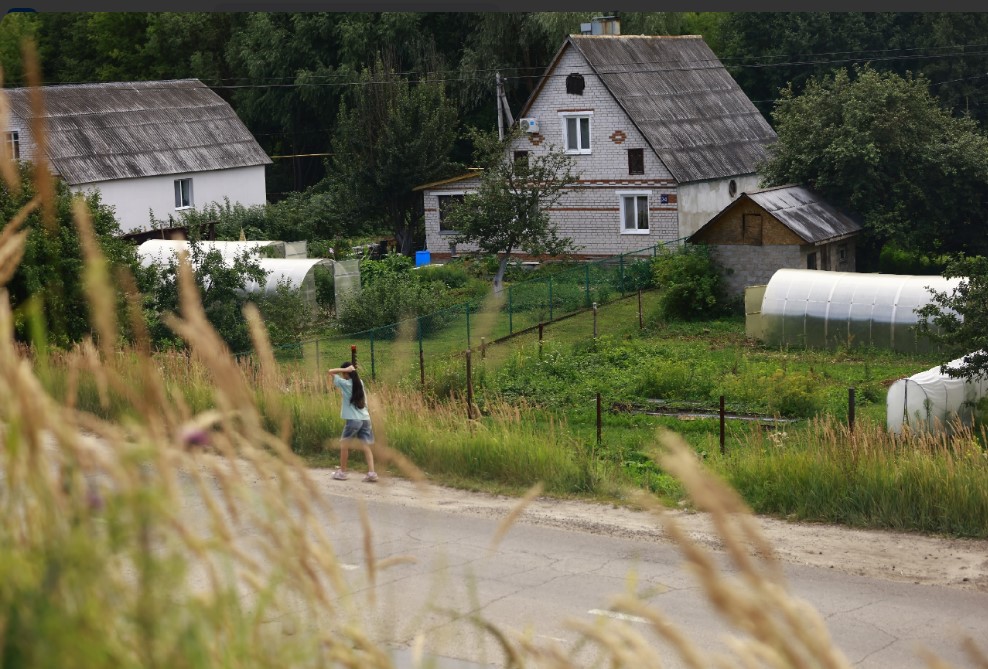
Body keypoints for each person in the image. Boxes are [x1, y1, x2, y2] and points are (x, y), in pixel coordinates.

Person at [327, 361, 378, 482]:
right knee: (365, 446)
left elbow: (330, 371)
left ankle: (342, 472)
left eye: (344, 372)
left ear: (346, 373)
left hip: (353, 420)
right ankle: (372, 473)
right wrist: (350, 370)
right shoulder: (360, 383)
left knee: (344, 445)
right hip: (365, 418)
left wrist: (345, 370)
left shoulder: (345, 383)